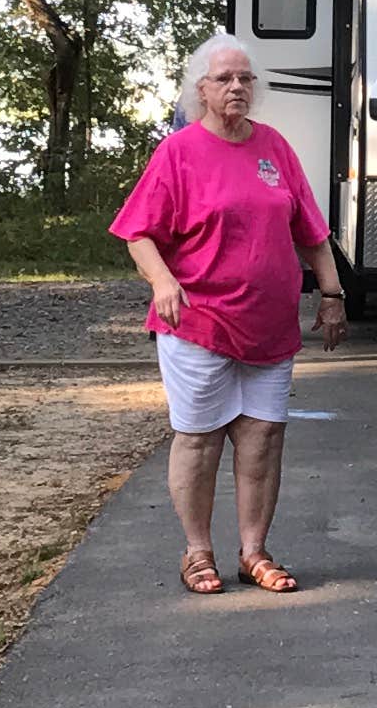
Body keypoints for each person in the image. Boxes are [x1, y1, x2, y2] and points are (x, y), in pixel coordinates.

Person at [110, 32, 347, 596]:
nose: (237, 87)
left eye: (245, 78)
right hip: (199, 322)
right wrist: (163, 281)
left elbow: (311, 231)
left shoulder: (274, 148)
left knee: (263, 438)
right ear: (202, 90)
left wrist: (332, 294)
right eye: (225, 79)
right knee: (200, 439)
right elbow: (138, 233)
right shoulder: (179, 152)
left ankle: (253, 552)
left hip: (270, 326)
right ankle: (197, 552)